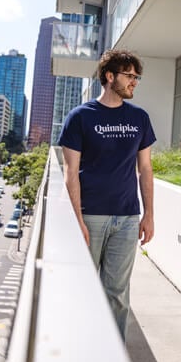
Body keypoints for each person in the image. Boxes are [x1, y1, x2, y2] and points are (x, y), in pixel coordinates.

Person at [58, 49, 156, 339]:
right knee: (83, 289)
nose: (134, 82)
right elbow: (70, 172)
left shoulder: (139, 117)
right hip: (90, 216)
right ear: (109, 76)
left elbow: (146, 169)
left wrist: (149, 214)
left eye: (137, 77)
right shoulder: (80, 117)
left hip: (127, 218)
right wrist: (77, 219)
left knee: (117, 295)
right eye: (129, 76)